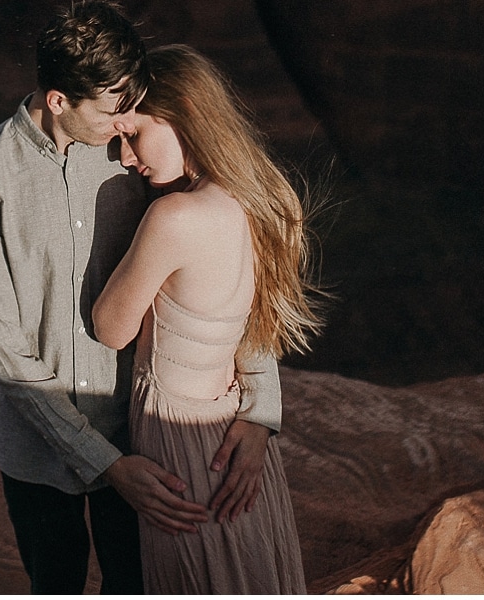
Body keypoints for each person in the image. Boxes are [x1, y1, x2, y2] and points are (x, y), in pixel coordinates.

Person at [0, 1, 284, 595]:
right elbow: (5, 349)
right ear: (59, 100)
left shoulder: (138, 153)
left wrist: (262, 407)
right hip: (38, 454)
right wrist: (101, 461)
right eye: (114, 109)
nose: (127, 120)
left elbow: (233, 264)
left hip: (144, 438)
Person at [92, 44, 320, 593]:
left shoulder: (174, 216)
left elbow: (110, 327)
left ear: (185, 116)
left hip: (179, 442)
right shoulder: (270, 200)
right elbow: (255, 328)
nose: (125, 157)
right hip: (228, 428)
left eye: (134, 134)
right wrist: (261, 417)